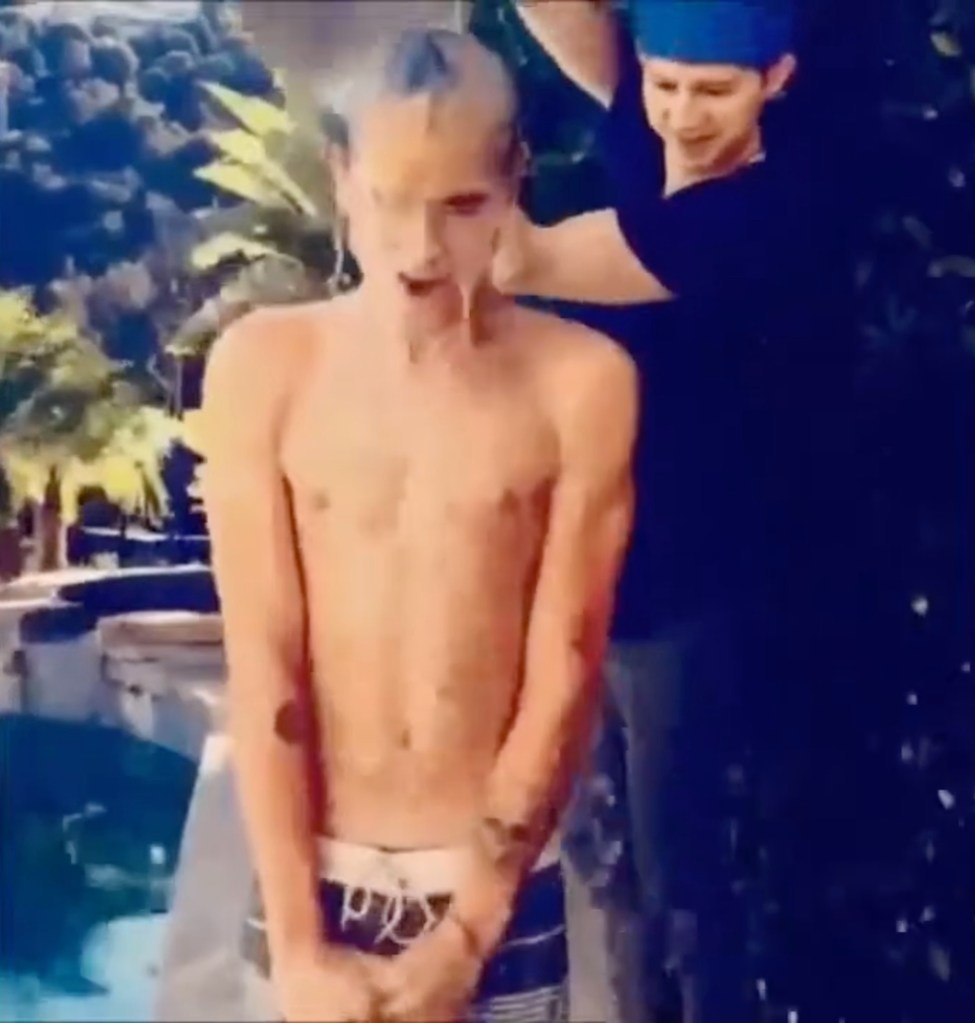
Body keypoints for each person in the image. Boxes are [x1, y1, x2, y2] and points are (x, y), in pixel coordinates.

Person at [198, 27, 638, 1023]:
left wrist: (469, 935)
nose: (419, 250)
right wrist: (301, 947)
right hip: (306, 874)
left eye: (462, 207)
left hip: (491, 882)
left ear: (515, 181)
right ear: (341, 175)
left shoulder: (580, 387)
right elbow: (263, 659)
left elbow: (563, 668)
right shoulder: (266, 369)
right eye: (391, 202)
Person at [498, 1, 880, 1020]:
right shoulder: (655, 125)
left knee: (690, 886)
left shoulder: (767, 212)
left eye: (713, 92)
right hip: (592, 586)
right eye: (662, 84)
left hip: (699, 602)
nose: (681, 115)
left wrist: (414, 183)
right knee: (610, 879)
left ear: (777, 81)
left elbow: (522, 260)